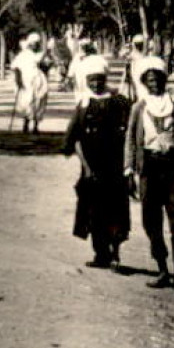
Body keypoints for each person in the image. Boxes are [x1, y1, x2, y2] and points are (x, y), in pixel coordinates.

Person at [125, 66, 174, 294]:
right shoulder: (139, 107)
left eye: (157, 80)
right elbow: (131, 141)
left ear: (164, 81)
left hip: (173, 168)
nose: (154, 84)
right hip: (149, 168)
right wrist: (129, 170)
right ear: (145, 83)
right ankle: (162, 268)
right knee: (151, 221)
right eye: (149, 81)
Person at [63, 55, 132, 269]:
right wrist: (85, 166)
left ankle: (116, 253)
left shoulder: (120, 102)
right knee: (94, 211)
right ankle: (101, 254)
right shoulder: (83, 105)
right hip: (91, 169)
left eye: (99, 79)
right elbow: (73, 140)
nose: (96, 83)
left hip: (115, 166)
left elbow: (130, 133)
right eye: (91, 79)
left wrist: (128, 165)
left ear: (105, 78)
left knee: (117, 210)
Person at [11, 34, 51, 133]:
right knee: (27, 102)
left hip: (38, 81)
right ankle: (26, 124)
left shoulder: (40, 55)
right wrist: (18, 81)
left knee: (39, 100)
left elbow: (45, 67)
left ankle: (35, 126)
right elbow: (16, 68)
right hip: (26, 81)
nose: (35, 46)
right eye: (33, 44)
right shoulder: (23, 55)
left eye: (37, 44)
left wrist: (46, 63)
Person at [127, 36, 166, 101]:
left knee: (140, 86)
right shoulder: (134, 54)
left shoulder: (144, 56)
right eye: (137, 44)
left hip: (142, 72)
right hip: (137, 70)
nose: (139, 46)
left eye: (140, 44)